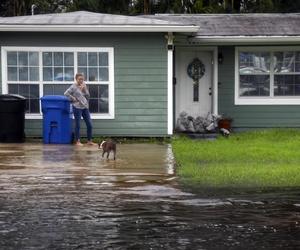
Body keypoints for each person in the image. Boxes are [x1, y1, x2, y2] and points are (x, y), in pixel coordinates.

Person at [64, 73, 96, 146]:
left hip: (85, 107)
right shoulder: (73, 87)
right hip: (77, 107)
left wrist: (84, 89)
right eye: (79, 79)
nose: (81, 80)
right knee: (78, 125)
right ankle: (77, 141)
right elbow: (66, 93)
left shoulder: (84, 85)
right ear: (76, 79)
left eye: (82, 79)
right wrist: (73, 99)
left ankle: (89, 141)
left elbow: (88, 96)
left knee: (89, 124)